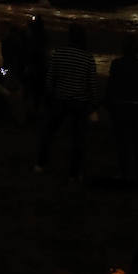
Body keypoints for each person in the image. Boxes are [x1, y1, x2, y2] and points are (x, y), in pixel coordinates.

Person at [35, 23, 97, 179]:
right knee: (78, 138)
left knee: (49, 132)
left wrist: (50, 95)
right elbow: (92, 84)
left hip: (60, 98)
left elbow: (50, 78)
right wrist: (92, 105)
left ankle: (40, 163)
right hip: (79, 102)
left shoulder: (59, 53)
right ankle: (74, 172)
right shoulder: (88, 58)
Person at [106, 36, 138, 182]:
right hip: (136, 107)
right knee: (137, 141)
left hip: (121, 106)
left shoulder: (116, 64)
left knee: (122, 143)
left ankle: (124, 172)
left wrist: (111, 103)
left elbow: (111, 85)